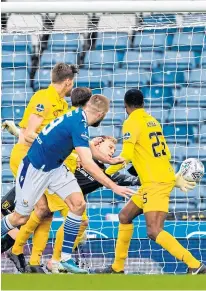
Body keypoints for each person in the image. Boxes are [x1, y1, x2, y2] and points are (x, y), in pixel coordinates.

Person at [1, 94, 134, 274]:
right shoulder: (78, 124)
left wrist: (108, 161)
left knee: (78, 205)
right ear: (102, 113)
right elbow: (87, 162)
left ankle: (64, 259)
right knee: (20, 218)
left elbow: (87, 147)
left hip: (55, 168)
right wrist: (113, 186)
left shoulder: (77, 116)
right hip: (34, 170)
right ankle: (21, 251)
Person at [94, 89, 206, 275]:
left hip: (156, 183)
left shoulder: (131, 122)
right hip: (155, 180)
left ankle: (195, 265)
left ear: (125, 106)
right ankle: (117, 268)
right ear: (143, 104)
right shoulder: (152, 121)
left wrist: (103, 172)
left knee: (154, 230)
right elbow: (158, 153)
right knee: (124, 216)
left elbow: (126, 156)